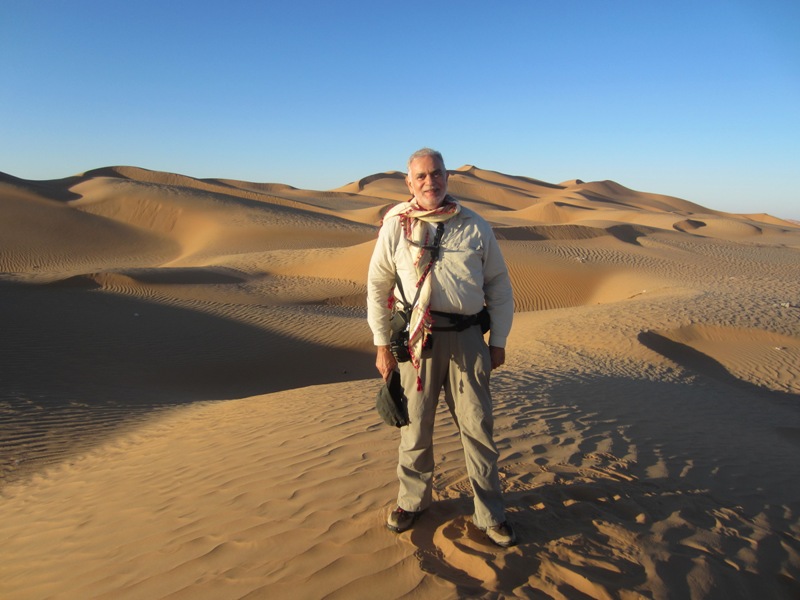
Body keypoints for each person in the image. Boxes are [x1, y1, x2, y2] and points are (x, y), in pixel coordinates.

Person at [367, 148, 516, 547]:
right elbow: (377, 285)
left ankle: (490, 513)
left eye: (437, 174)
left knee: (477, 427)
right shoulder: (396, 226)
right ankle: (412, 501)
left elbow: (499, 285)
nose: (430, 182)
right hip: (417, 343)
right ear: (409, 182)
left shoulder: (475, 225)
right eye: (421, 176)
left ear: (447, 177)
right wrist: (382, 345)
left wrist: (497, 341)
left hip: (468, 339)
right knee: (415, 427)